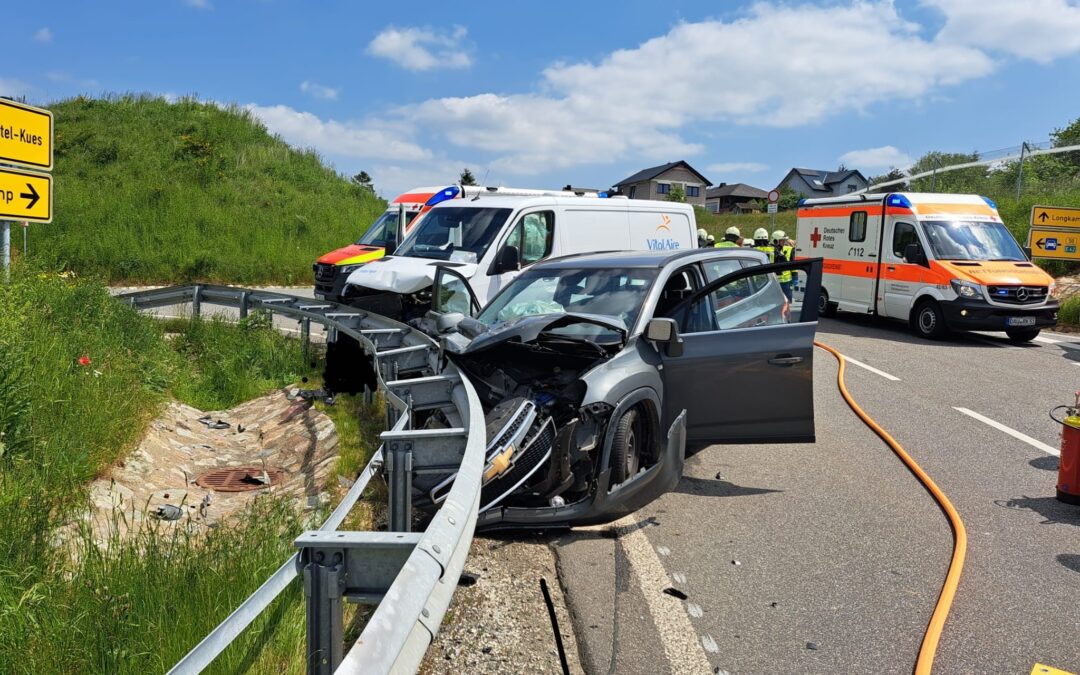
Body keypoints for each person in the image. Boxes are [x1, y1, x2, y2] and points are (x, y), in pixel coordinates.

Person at [771, 230, 795, 300]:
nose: (784, 242)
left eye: (784, 240)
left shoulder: (789, 249)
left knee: (788, 300)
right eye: (782, 240)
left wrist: (794, 276)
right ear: (776, 241)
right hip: (775, 282)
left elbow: (793, 264)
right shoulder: (770, 250)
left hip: (787, 282)